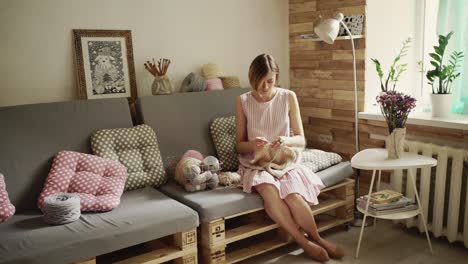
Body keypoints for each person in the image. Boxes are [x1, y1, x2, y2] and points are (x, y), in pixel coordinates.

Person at [235, 54, 344, 262]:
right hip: (256, 163)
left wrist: (286, 141)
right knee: (270, 191)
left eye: (270, 81)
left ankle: (318, 239)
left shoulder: (288, 97)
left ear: (276, 78)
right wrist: (252, 144)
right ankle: (303, 242)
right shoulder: (243, 101)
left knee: (293, 195)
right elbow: (239, 145)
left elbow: (301, 140)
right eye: (260, 81)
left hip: (284, 159)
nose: (265, 86)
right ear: (252, 78)